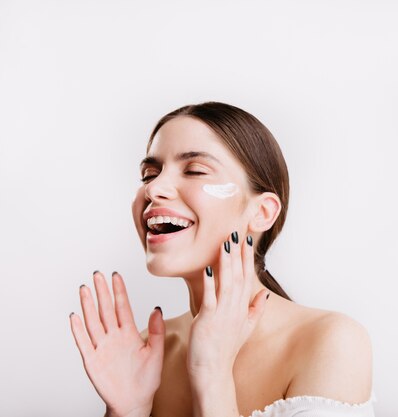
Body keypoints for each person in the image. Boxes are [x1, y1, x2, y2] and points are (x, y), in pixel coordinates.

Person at [69, 101, 376, 417]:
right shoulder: (147, 354)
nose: (154, 188)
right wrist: (127, 410)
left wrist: (212, 373)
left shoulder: (331, 341)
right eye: (150, 173)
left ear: (262, 212)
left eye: (195, 170)